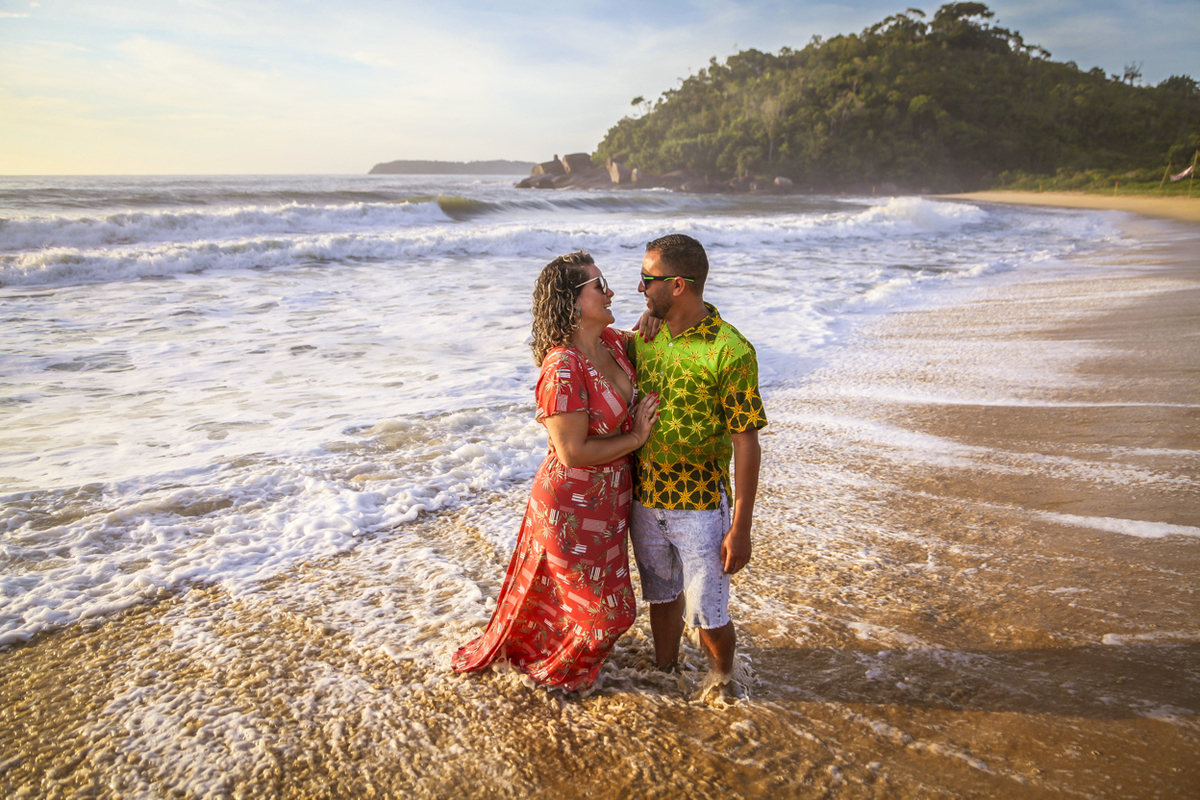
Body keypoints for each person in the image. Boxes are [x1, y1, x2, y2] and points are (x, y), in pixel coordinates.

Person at [452, 251, 660, 691]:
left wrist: (653, 314)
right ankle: (547, 686)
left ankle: (555, 678)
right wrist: (636, 439)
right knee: (608, 616)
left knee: (576, 608)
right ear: (571, 301)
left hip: (609, 506)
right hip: (569, 506)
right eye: (599, 286)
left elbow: (655, 334)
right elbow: (571, 451)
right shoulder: (562, 366)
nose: (610, 292)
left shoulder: (611, 343)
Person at [628, 233, 767, 696]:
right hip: (646, 499)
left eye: (647, 279)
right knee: (662, 597)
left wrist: (741, 527)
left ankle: (724, 683)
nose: (641, 287)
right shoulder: (645, 339)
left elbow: (746, 442)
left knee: (709, 613)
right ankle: (665, 671)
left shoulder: (731, 350)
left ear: (678, 285)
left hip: (701, 505)